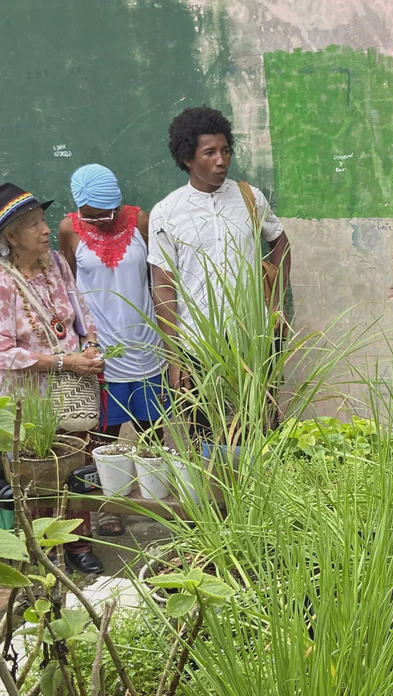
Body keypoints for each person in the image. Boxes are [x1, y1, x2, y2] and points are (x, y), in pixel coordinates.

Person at [148, 106, 291, 394]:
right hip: (197, 344)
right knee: (203, 420)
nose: (221, 161)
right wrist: (174, 355)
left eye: (225, 151)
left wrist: (276, 304)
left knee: (261, 417)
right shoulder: (166, 213)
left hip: (254, 338)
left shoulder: (249, 198)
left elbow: (280, 243)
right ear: (188, 158)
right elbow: (163, 285)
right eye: (210, 153)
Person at [0, 183, 105, 574]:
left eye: (43, 220)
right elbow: (4, 353)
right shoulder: (3, 281)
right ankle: (43, 548)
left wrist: (90, 346)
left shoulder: (57, 263)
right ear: (11, 237)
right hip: (29, 397)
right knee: (38, 472)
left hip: (72, 389)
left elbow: (82, 311)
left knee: (77, 465)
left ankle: (79, 541)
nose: (45, 229)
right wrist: (65, 362)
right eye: (32, 224)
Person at [59, 164, 168, 537]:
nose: (104, 220)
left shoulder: (141, 222)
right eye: (95, 215)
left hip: (147, 345)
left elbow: (160, 279)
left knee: (152, 430)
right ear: (80, 206)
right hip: (101, 351)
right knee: (102, 436)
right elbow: (68, 286)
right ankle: (108, 506)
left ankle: (153, 499)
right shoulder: (70, 229)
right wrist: (80, 344)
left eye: (110, 211)